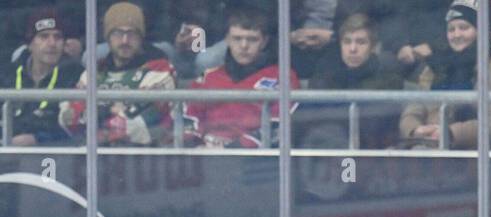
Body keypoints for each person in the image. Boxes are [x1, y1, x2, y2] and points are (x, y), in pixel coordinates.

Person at [398, 1, 491, 151]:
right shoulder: (434, 68)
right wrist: (415, 130)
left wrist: (451, 133)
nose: (457, 35)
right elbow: (413, 111)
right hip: (431, 147)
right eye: (451, 29)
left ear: (479, 31)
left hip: (478, 153)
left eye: (464, 28)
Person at [59, 2, 177, 146]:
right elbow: (69, 119)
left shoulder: (159, 70)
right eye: (118, 33)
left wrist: (96, 114)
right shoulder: (93, 71)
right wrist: (110, 109)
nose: (125, 40)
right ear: (107, 37)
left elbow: (138, 125)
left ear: (141, 37)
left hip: (144, 158)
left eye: (132, 33)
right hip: (93, 156)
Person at [185, 6, 299, 148]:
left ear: (264, 42)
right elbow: (188, 117)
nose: (244, 46)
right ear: (227, 40)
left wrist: (233, 150)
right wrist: (193, 145)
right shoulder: (208, 76)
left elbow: (279, 126)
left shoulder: (283, 76)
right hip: (204, 156)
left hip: (254, 161)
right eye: (237, 38)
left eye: (252, 39)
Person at [300, 12, 403, 149]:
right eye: (347, 42)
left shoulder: (389, 80)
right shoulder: (324, 78)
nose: (352, 49)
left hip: (368, 157)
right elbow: (304, 120)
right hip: (319, 153)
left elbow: (371, 126)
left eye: (361, 42)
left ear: (373, 47)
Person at [1, 9, 79, 146]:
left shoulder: (76, 75)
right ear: (30, 44)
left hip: (57, 157)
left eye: (57, 37)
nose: (52, 43)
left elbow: (79, 130)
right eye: (44, 37)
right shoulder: (7, 74)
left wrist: (38, 139)